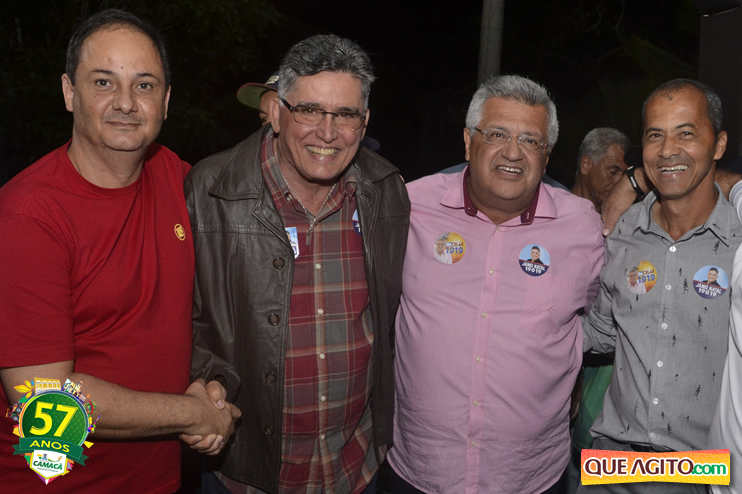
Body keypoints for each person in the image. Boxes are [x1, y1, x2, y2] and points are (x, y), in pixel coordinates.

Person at [0, 9, 240, 493]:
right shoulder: (28, 216)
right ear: (70, 92)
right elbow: (41, 400)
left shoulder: (176, 177)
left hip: (160, 479)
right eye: (104, 82)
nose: (126, 103)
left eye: (144, 85)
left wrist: (211, 384)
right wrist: (190, 413)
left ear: (166, 101)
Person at [184, 34, 410, 494]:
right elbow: (181, 317)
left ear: (365, 122)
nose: (327, 132)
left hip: (356, 467)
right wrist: (206, 382)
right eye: (309, 110)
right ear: (275, 112)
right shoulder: (210, 191)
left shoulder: (387, 190)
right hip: (246, 472)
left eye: (345, 115)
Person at [388, 75, 604, 494]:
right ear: (469, 141)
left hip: (529, 476)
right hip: (420, 469)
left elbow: (596, 320)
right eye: (498, 134)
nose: (513, 152)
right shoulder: (410, 207)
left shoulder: (583, 227)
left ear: (546, 156)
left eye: (531, 140)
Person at [580, 79, 741, 494]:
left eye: (686, 133)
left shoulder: (739, 244)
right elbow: (600, 332)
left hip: (705, 472)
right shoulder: (623, 232)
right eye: (655, 135)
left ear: (719, 144)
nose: (668, 150)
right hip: (610, 465)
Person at [571, 128, 631, 213]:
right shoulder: (557, 213)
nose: (619, 182)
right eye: (613, 172)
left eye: (624, 175)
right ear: (586, 165)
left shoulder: (624, 219)